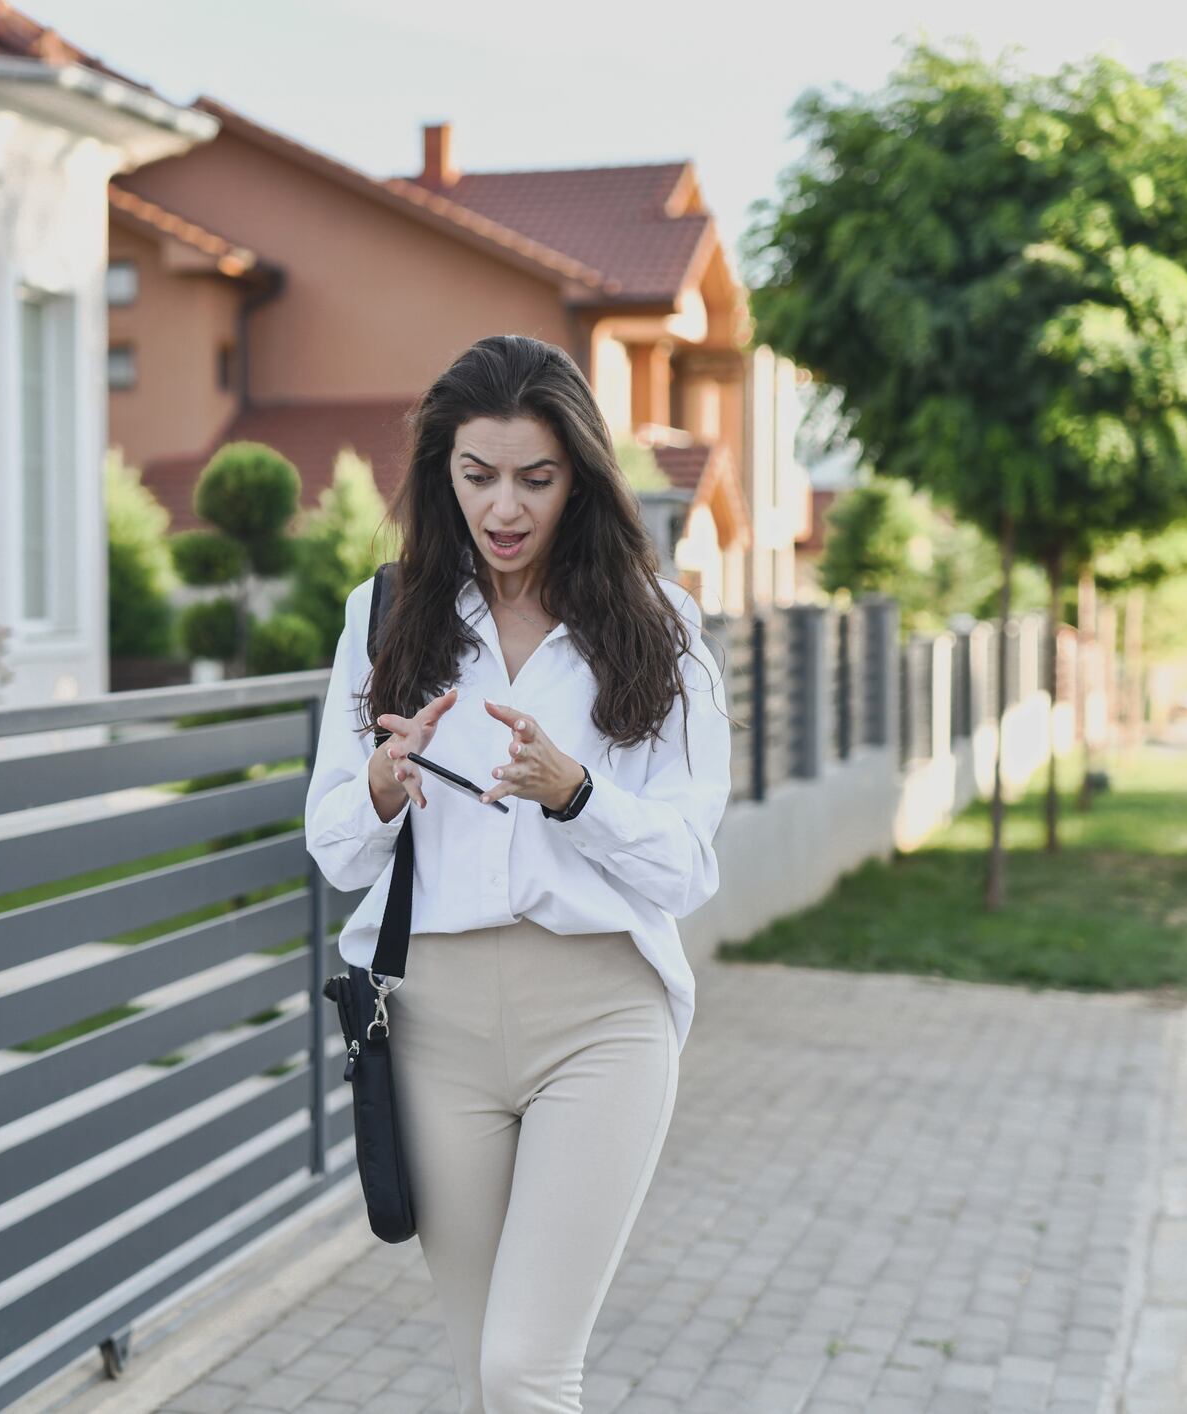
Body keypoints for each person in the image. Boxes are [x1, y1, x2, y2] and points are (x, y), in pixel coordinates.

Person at [304, 333, 733, 1413]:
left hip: (599, 1015)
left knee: (526, 1369)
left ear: (579, 476)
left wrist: (576, 794)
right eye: (478, 476)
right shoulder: (386, 614)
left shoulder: (659, 625)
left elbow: (686, 865)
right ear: (442, 476)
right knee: (481, 1370)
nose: (505, 507)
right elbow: (331, 842)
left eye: (535, 479)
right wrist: (384, 785)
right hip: (436, 1025)